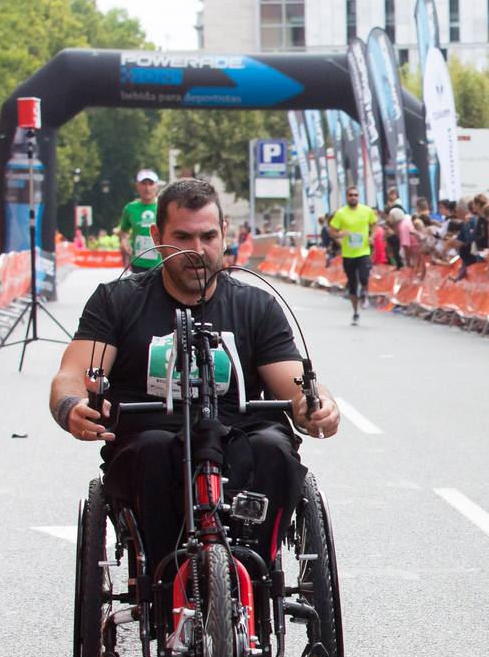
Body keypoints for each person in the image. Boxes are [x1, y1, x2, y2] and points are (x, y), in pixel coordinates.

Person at [48, 178, 341, 574]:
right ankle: (162, 573)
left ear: (225, 234)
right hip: (150, 435)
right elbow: (72, 374)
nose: (197, 251)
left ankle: (256, 567)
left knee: (275, 448)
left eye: (207, 236)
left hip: (239, 433)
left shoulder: (256, 306)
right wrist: (71, 406)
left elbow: (293, 382)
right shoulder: (117, 300)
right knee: (150, 450)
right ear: (157, 236)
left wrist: (317, 405)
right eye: (182, 237)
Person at [328, 184, 376, 325]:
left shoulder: (367, 211)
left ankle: (365, 295)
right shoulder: (341, 213)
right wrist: (339, 235)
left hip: (363, 251)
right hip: (348, 254)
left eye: (355, 195)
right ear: (347, 197)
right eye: (351, 195)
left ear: (358, 197)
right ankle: (355, 312)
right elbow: (331, 231)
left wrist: (372, 236)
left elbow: (374, 224)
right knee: (353, 284)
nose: (353, 197)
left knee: (364, 276)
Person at [117, 169, 162, 273]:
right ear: (137, 186)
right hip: (138, 262)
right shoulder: (130, 208)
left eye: (151, 184)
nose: (147, 188)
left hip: (161, 262)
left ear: (156, 186)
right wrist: (124, 241)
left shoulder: (164, 206)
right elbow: (124, 231)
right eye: (143, 184)